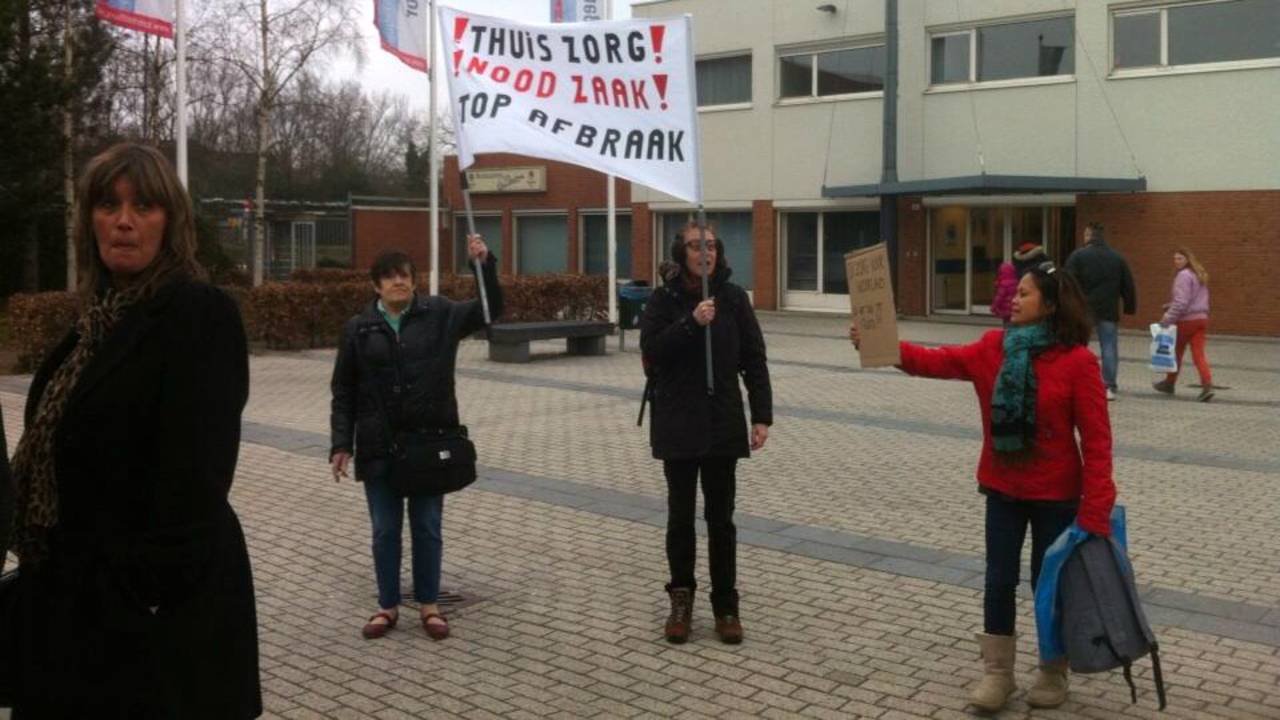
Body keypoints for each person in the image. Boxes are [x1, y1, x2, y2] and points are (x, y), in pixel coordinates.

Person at [2, 143, 261, 717]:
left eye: (143, 206)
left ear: (170, 221)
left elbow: (198, 481)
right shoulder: (93, 324)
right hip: (74, 615)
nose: (123, 221)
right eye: (108, 205)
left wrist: (141, 596)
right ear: (88, 218)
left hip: (151, 630)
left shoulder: (198, 313)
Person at [850, 262, 1116, 712]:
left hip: (1057, 495)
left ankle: (1053, 669)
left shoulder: (1077, 362)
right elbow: (934, 362)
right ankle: (999, 673)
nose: (1014, 298)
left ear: (1050, 305)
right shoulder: (993, 348)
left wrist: (1097, 510)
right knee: (998, 579)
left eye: (1026, 294)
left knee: (1047, 584)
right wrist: (881, 345)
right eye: (1016, 292)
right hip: (1003, 486)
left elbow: (1097, 441)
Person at [330, 241, 502, 641]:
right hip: (379, 446)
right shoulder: (359, 328)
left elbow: (490, 310)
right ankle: (387, 606)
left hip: (428, 444)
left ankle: (429, 605)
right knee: (385, 530)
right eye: (390, 276)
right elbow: (344, 391)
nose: (399, 282)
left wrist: (484, 266)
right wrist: (341, 444)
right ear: (376, 286)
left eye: (405, 275)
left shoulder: (440, 314)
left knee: (426, 526)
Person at [639, 222, 772, 645]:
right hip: (678, 421)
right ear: (682, 253)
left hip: (721, 421)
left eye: (711, 245)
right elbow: (653, 352)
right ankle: (681, 600)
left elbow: (754, 357)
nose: (705, 252)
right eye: (696, 246)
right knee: (681, 518)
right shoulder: (664, 299)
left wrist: (762, 415)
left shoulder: (733, 298)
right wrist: (691, 323)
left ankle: (726, 605)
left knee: (721, 520)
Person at [1065, 223, 1136, 401]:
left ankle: (1075, 380)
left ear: (1088, 235)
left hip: (1084, 309)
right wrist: (1130, 306)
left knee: (1078, 345)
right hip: (1108, 310)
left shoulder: (1078, 256)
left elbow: (1067, 281)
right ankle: (1109, 386)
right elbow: (1128, 284)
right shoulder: (1117, 258)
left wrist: (1066, 304)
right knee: (1109, 347)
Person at [1154, 247, 1213, 401]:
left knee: (1176, 353)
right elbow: (1193, 299)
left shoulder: (1183, 276)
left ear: (1187, 259)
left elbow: (1181, 303)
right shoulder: (1198, 274)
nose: (1176, 261)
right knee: (1199, 354)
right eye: (1175, 258)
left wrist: (1167, 319)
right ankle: (1207, 385)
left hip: (1187, 321)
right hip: (1202, 319)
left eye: (1180, 258)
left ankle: (1169, 383)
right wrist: (1170, 305)